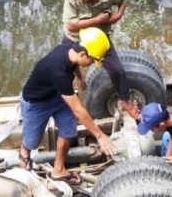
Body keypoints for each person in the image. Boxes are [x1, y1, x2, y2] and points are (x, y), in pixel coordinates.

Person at [18, 27, 116, 185]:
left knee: (68, 132)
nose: (91, 63)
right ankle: (23, 151)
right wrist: (100, 135)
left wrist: (80, 78)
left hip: (58, 95)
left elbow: (75, 65)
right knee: (32, 143)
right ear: (83, 54)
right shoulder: (59, 71)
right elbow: (78, 109)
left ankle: (58, 170)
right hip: (36, 103)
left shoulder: (69, 49)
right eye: (92, 60)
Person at [62, 0, 139, 118]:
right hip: (75, 36)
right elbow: (71, 26)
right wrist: (98, 20)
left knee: (117, 69)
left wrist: (119, 15)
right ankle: (72, 95)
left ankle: (125, 99)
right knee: (64, 67)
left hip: (98, 37)